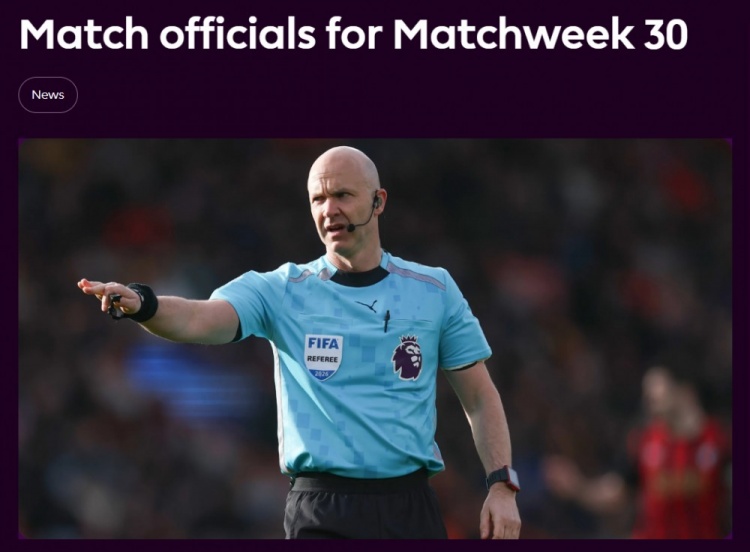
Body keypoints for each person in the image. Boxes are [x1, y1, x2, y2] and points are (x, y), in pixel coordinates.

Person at [78, 145, 522, 539]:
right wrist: (144, 303)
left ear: (378, 201)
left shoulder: (434, 290)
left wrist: (501, 485)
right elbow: (199, 318)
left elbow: (479, 397)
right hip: (322, 510)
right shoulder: (281, 290)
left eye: (342, 195)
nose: (329, 210)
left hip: (410, 507)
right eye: (318, 199)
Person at [543, 365, 731, 539]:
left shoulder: (721, 441)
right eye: (646, 390)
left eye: (657, 387)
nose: (648, 395)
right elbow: (616, 493)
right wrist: (578, 487)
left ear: (685, 392)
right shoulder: (642, 441)